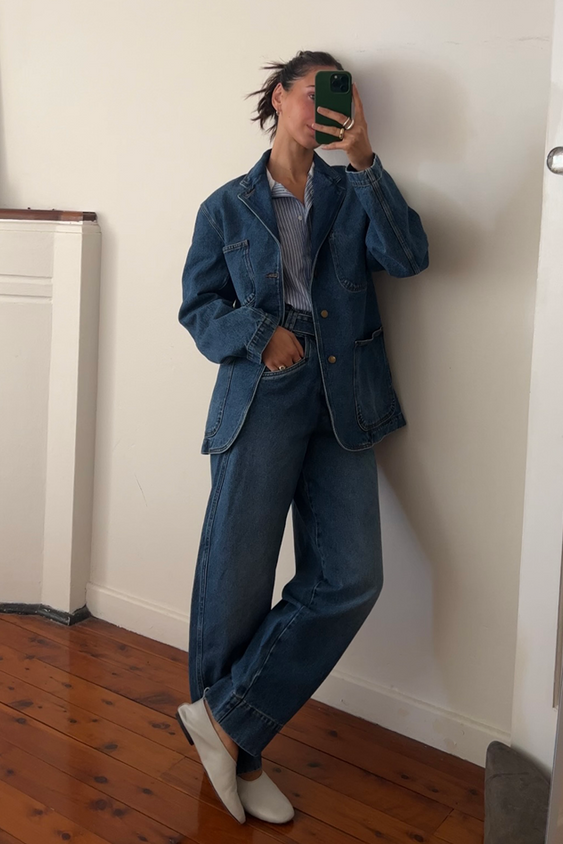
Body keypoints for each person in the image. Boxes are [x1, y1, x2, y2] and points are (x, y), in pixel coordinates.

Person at [176, 50, 429, 826]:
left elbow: (409, 257)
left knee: (351, 577)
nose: (324, 106)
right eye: (313, 92)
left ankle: (226, 724)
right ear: (280, 98)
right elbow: (198, 311)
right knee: (237, 582)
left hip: (345, 395)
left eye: (338, 96)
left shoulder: (353, 192)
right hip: (264, 391)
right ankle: (242, 755)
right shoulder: (226, 206)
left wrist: (365, 160)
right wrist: (261, 334)